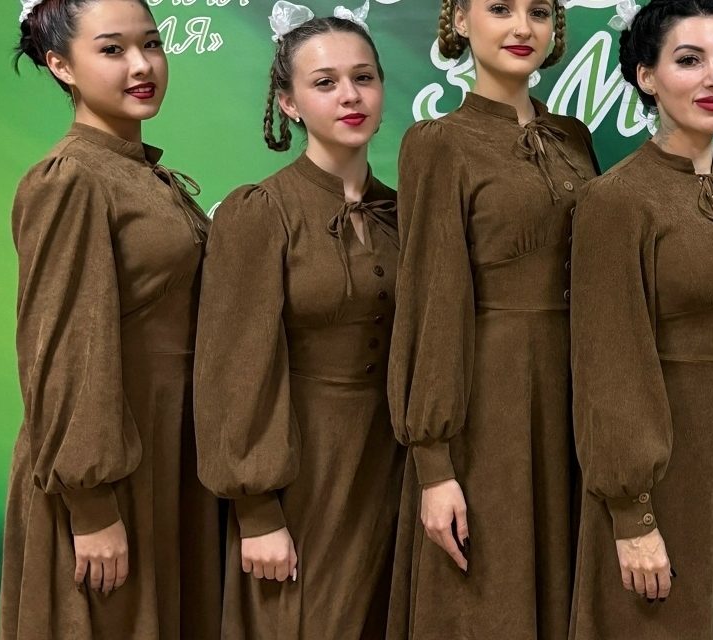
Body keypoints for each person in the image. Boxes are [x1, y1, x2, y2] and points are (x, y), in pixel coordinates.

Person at [568, 1, 713, 637]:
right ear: (646, 76)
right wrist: (632, 515)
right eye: (689, 60)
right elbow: (609, 364)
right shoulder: (616, 200)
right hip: (663, 472)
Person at [1, 0, 220, 636]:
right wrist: (92, 505)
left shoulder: (141, 172)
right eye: (112, 49)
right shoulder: (70, 178)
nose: (142, 65)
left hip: (168, 452)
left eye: (151, 44)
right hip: (107, 470)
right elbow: (61, 349)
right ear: (61, 65)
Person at [386, 0, 596, 637]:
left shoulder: (574, 137)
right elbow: (431, 300)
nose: (522, 27)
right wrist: (434, 465)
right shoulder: (438, 142)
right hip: (490, 406)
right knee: (488, 599)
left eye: (539, 11)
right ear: (458, 20)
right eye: (500, 8)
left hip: (577, 397)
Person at [193, 6, 405, 637]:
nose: (350, 96)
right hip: (302, 469)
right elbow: (233, 369)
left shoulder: (405, 213)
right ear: (289, 103)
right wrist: (257, 511)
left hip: (396, 466)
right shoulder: (261, 212)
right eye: (325, 83)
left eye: (363, 78)